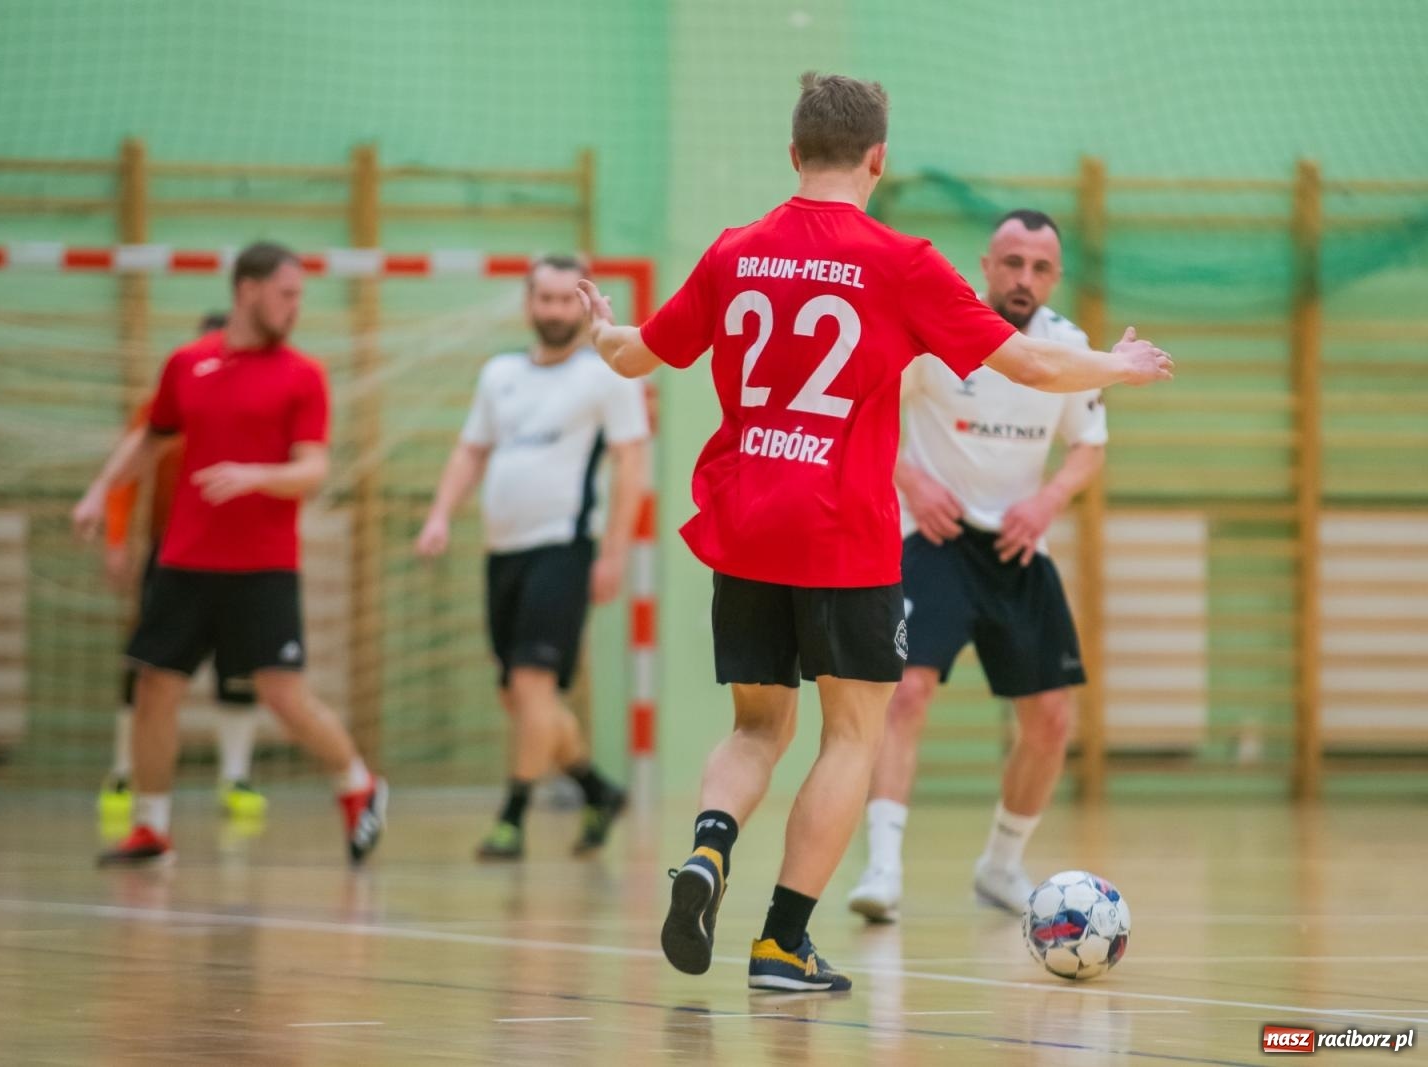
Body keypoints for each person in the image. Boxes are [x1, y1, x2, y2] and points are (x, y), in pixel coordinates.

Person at [577, 72, 1172, 992]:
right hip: (840, 532)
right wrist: (1119, 364)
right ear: (878, 159)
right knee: (851, 732)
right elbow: (1029, 363)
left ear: (792, 153)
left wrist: (603, 332)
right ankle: (781, 942)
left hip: (743, 525)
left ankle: (706, 852)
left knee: (755, 728)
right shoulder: (899, 261)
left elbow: (635, 356)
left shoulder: (735, 251)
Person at [72, 241, 386, 867]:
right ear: (247, 290)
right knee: (155, 687)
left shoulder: (303, 375)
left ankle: (359, 785)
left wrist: (256, 475)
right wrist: (100, 491)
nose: (295, 306)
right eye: (286, 293)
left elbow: (313, 470)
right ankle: (151, 828)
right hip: (185, 561)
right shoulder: (187, 365)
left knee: (282, 696)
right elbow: (150, 438)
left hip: (264, 567)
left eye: (299, 295)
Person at [847, 209, 1107, 923]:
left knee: (1052, 718)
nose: (1025, 278)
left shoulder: (1066, 349)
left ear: (1054, 277)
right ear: (987, 266)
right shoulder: (934, 333)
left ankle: (1000, 864)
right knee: (905, 693)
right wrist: (913, 481)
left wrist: (1048, 499)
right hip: (933, 538)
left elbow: (1089, 445)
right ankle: (883, 867)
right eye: (1013, 262)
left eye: (1041, 267)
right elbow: (868, 419)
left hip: (1018, 544)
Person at [415, 254, 648, 860]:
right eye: (543, 299)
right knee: (521, 699)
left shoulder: (606, 375)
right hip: (503, 553)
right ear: (528, 303)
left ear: (582, 303)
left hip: (563, 548)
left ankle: (513, 817)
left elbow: (632, 466)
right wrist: (440, 514)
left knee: (532, 684)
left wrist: (614, 555)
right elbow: (471, 450)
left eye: (565, 299)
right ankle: (599, 791)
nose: (553, 310)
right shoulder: (500, 375)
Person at [77, 312, 270, 826]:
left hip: (239, 557)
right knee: (148, 667)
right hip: (173, 554)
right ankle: (123, 774)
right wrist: (117, 540)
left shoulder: (259, 406)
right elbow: (128, 472)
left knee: (241, 669)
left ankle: (236, 777)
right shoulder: (169, 402)